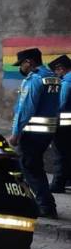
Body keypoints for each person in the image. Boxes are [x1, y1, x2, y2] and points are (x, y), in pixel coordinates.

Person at [8, 48, 61, 218]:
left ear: (29, 62)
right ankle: (31, 200)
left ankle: (46, 206)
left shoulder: (35, 79)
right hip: (47, 131)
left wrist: (15, 133)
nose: (20, 68)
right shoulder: (52, 77)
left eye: (21, 64)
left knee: (31, 168)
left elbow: (25, 109)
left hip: (32, 132)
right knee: (30, 166)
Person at [49, 54, 71, 193]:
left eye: (56, 71)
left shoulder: (67, 82)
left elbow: (60, 104)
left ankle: (58, 183)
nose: (56, 74)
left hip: (64, 125)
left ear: (61, 69)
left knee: (61, 153)